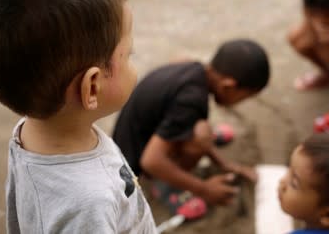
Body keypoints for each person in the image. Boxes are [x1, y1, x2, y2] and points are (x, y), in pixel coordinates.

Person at [0, 0, 157, 233]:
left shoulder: (30, 131)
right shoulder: (88, 205)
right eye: (129, 54)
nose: (133, 62)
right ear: (92, 87)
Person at [113, 39, 270, 206]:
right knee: (201, 135)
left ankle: (177, 164)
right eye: (245, 97)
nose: (241, 102)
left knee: (201, 131)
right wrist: (204, 189)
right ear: (228, 86)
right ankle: (165, 187)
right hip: (135, 164)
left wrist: (224, 164)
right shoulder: (191, 101)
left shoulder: (193, 69)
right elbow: (151, 161)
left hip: (139, 136)